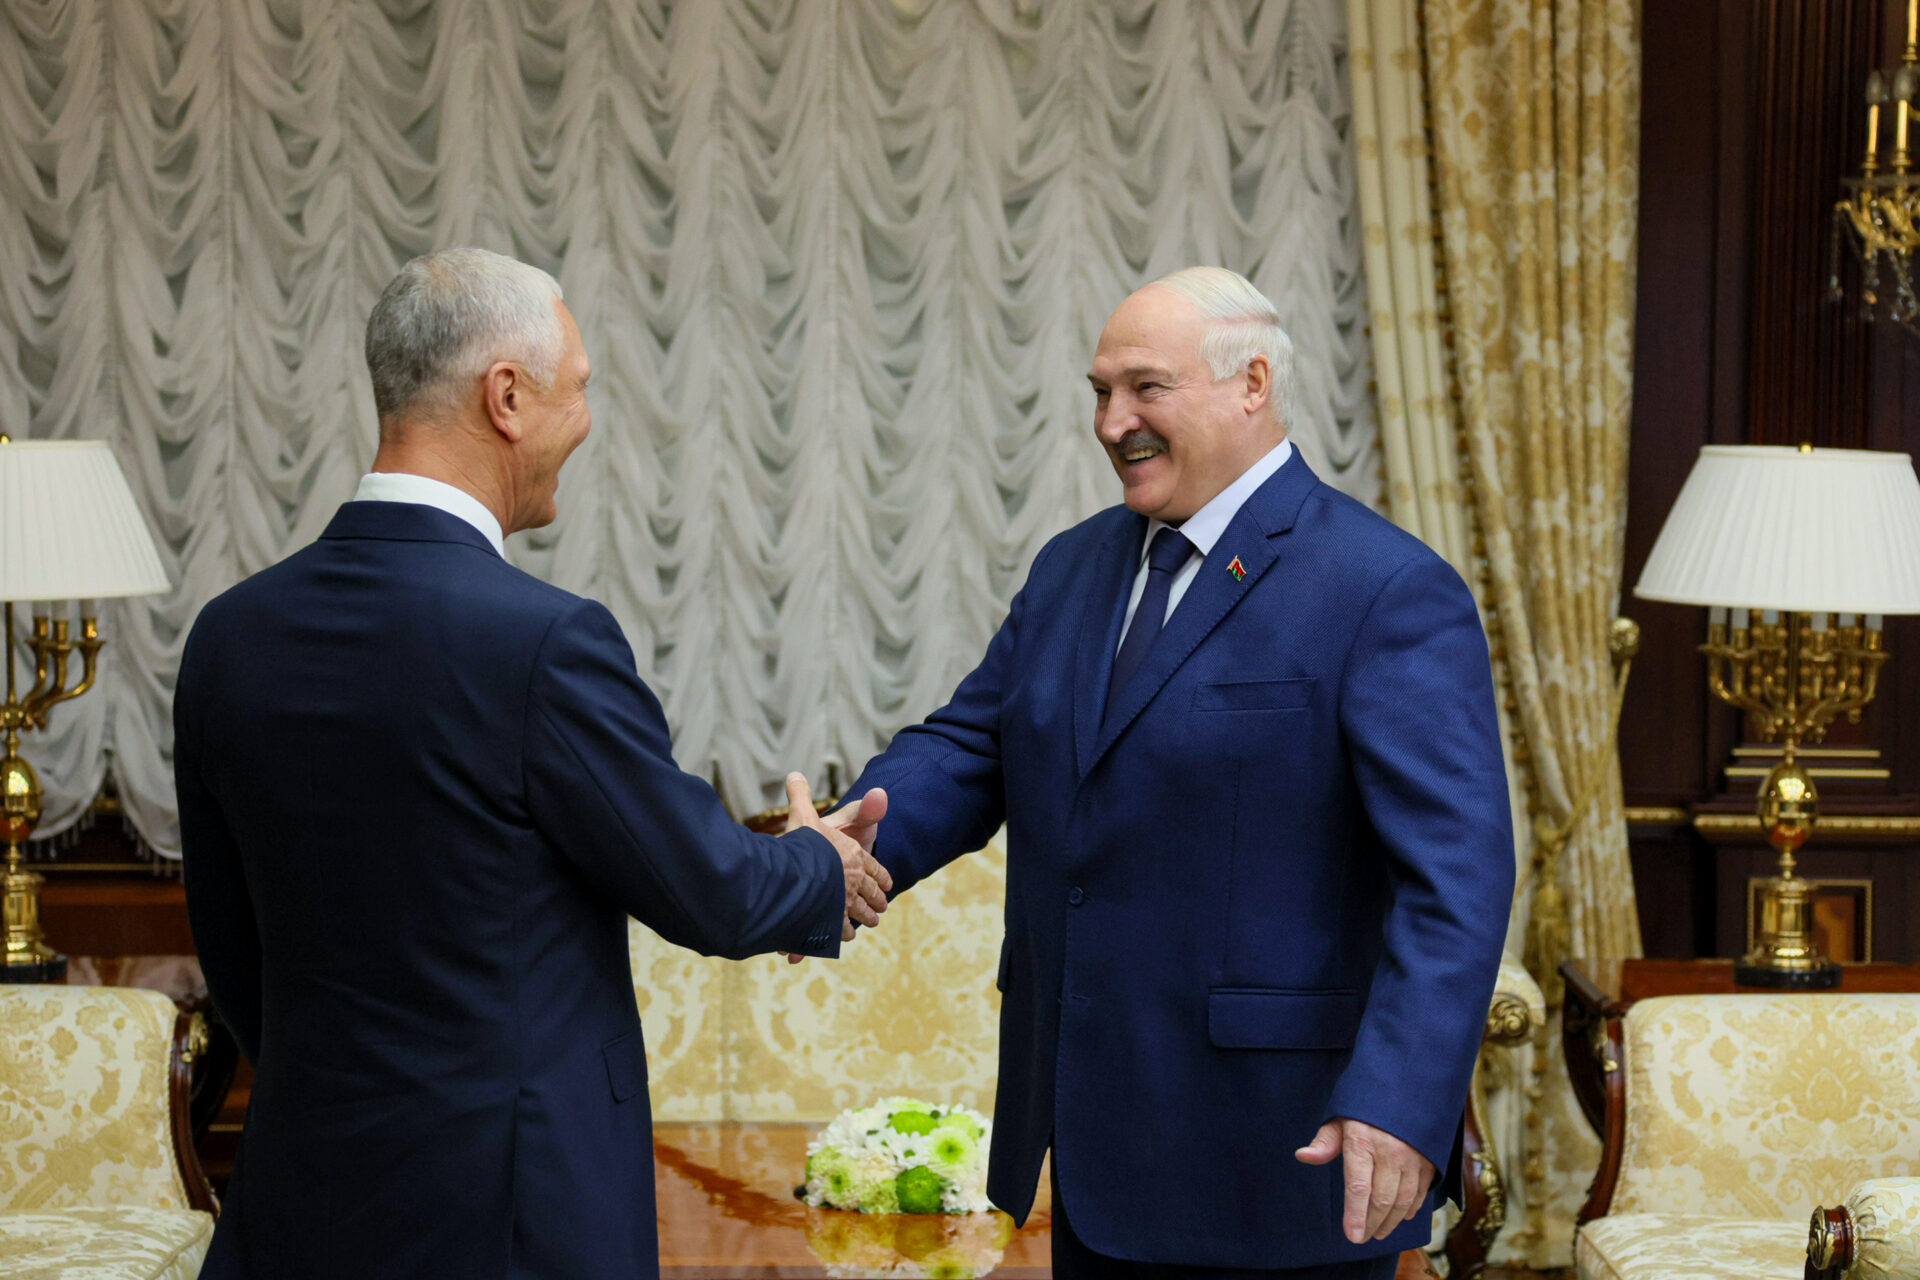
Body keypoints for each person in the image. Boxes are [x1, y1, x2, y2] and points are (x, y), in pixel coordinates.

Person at [174, 246, 891, 1280]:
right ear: (506, 396)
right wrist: (821, 861)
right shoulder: (541, 642)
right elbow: (712, 889)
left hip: (299, 1196)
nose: (587, 421)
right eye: (580, 387)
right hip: (511, 1216)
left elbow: (231, 947)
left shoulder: (228, 636)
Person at [829, 267, 1514, 1277]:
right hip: (1091, 1143)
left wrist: (1400, 1100)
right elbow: (973, 747)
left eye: (1146, 387)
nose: (1113, 422)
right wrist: (842, 844)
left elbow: (1456, 879)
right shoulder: (1073, 567)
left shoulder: (1386, 587)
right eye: (1101, 392)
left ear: (1253, 384)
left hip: (1283, 1153)